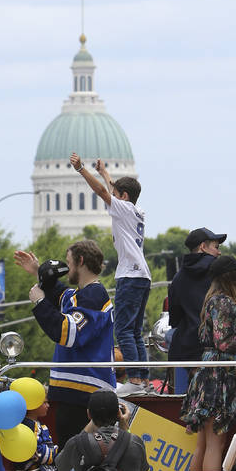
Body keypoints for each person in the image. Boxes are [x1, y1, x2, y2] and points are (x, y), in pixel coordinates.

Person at [14, 240, 115, 447]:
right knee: (72, 460)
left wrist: (40, 303)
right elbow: (59, 294)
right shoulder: (81, 295)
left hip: (86, 397)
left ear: (80, 261)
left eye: (69, 263)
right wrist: (37, 271)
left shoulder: (95, 296)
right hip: (76, 396)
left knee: (78, 461)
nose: (66, 269)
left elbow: (68, 333)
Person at [70, 152, 151, 395]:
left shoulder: (122, 208)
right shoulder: (136, 211)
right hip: (143, 276)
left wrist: (82, 169)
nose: (110, 200)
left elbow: (103, 193)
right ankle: (143, 380)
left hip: (129, 275)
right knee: (135, 330)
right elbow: (112, 190)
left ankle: (135, 381)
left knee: (123, 330)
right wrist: (105, 173)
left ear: (123, 197)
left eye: (116, 196)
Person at [180, 255, 236, 471]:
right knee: (215, 443)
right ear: (232, 276)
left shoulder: (213, 300)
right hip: (219, 377)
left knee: (203, 444)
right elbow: (223, 342)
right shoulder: (223, 302)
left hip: (210, 373)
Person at [167, 227, 227, 392]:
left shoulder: (178, 278)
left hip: (189, 347)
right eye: (216, 247)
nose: (219, 252)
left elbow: (175, 318)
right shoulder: (221, 272)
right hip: (219, 346)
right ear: (203, 247)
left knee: (169, 335)